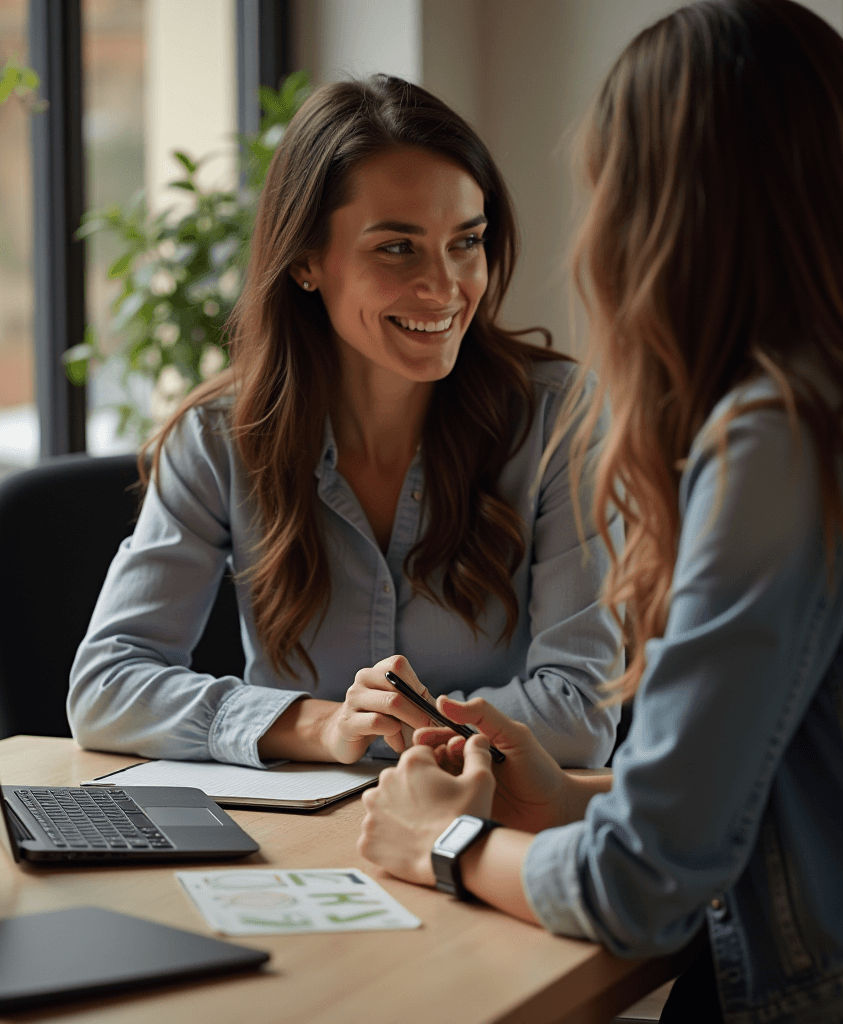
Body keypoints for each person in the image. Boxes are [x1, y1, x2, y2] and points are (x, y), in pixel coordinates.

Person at [356, 3, 843, 1022]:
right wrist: (565, 795)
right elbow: (792, 787)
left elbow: (641, 890)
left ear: (659, 212)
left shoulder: (783, 438)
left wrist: (440, 844)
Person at [68, 77, 622, 771]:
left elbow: (581, 711)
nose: (446, 287)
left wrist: (400, 731)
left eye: (466, 241)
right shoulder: (218, 438)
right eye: (398, 248)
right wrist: (323, 726)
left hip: (482, 834)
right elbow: (106, 687)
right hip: (291, 847)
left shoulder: (560, 418)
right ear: (305, 260)